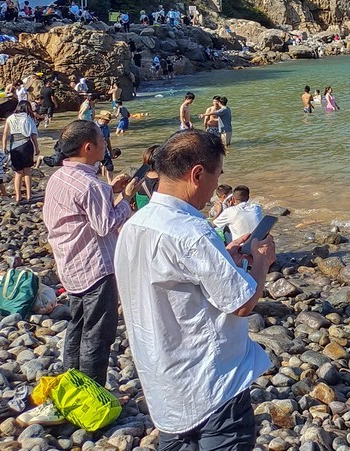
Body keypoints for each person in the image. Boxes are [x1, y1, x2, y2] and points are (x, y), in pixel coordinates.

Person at [115, 131, 275, 449]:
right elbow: (241, 304)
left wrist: (223, 255)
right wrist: (261, 263)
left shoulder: (135, 224)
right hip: (211, 386)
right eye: (216, 176)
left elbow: (172, 281)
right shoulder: (192, 231)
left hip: (164, 387)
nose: (216, 186)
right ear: (197, 174)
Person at [42, 120, 136, 386]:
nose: (105, 144)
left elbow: (82, 210)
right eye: (101, 140)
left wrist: (112, 191)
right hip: (95, 267)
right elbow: (105, 225)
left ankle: (73, 384)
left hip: (70, 264)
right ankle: (92, 394)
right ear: (88, 147)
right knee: (98, 334)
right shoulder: (89, 185)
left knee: (78, 325)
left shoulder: (60, 177)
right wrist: (126, 199)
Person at [1, 100, 40, 202]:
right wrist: (37, 148)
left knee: (18, 173)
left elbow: (5, 133)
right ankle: (29, 195)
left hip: (14, 145)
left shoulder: (10, 118)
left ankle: (18, 197)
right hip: (26, 144)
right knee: (27, 171)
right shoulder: (28, 118)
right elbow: (33, 134)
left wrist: (4, 147)